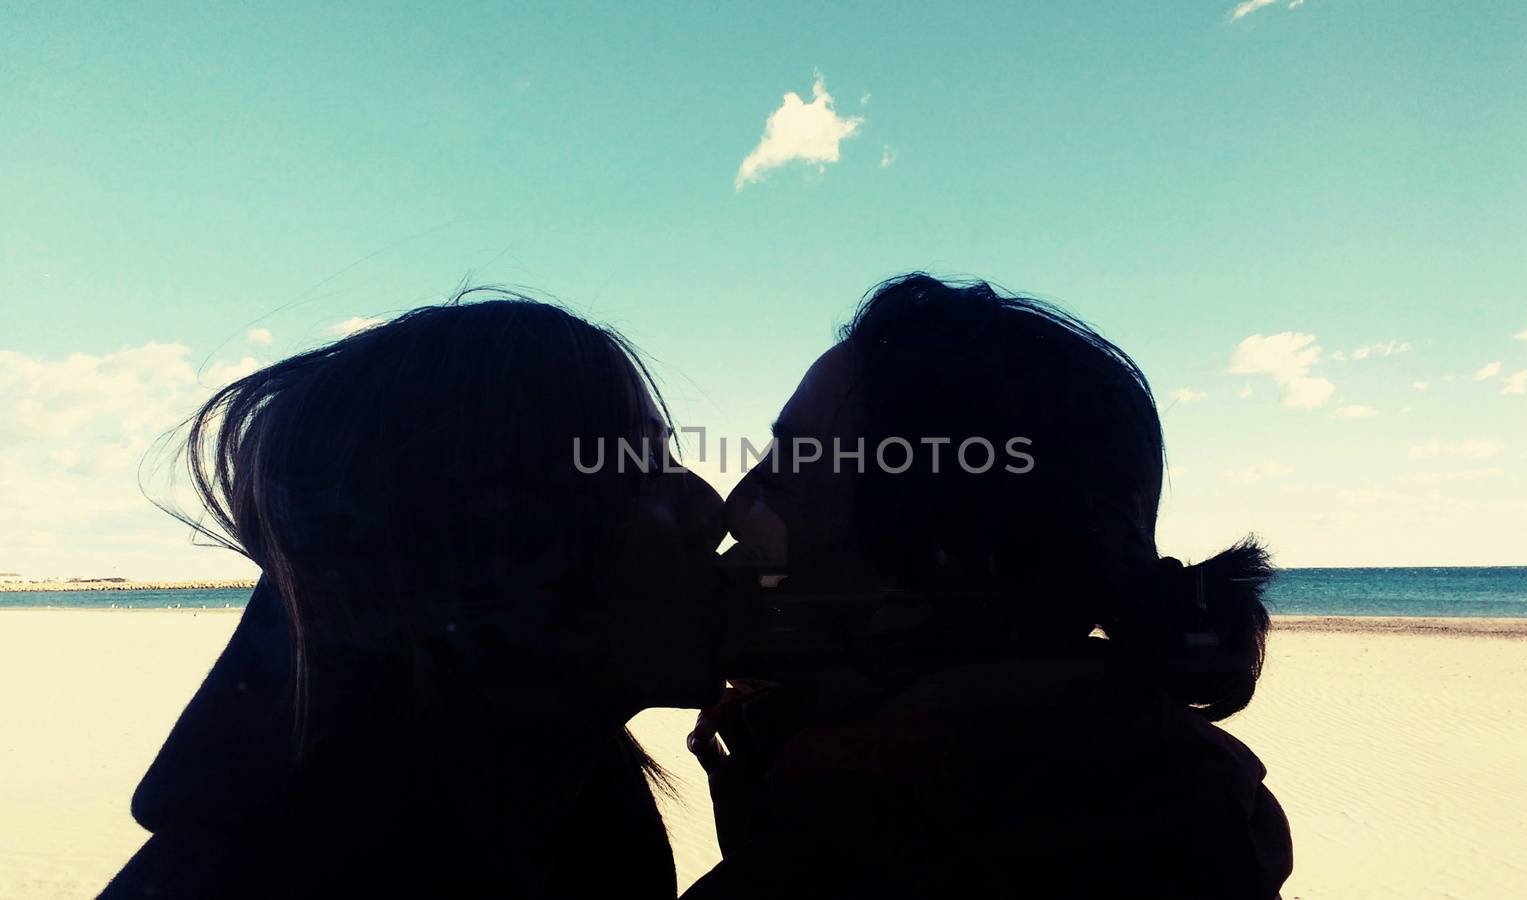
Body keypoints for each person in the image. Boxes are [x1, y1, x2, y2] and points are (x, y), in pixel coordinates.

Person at [687, 274, 1293, 899]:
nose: (733, 504)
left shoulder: (858, 846)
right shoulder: (1166, 805)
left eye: (784, 471)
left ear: (937, 563)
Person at [104, 293, 726, 898]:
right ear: (474, 545)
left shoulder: (581, 809)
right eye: (642, 465)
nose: (712, 508)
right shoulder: (245, 876)